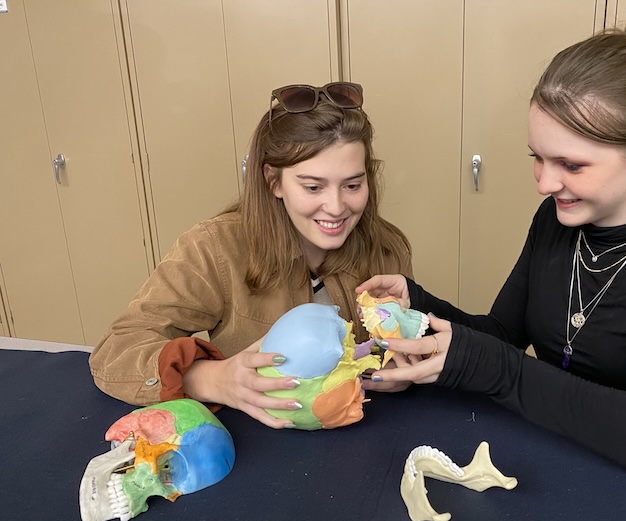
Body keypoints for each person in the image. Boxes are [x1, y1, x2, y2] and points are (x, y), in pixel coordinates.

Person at [357, 11, 626, 496]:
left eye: (571, 164)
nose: (545, 183)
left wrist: (504, 372)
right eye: (538, 158)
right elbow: (502, 336)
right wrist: (418, 308)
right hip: (548, 467)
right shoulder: (557, 221)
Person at [90, 82, 413, 428]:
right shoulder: (213, 249)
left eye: (352, 185)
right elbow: (115, 352)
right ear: (273, 181)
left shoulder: (387, 248)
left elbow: (407, 344)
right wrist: (209, 378)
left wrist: (403, 365)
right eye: (313, 186)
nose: (336, 207)